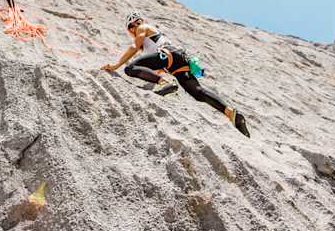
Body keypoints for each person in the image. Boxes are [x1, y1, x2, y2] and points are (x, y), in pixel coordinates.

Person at [101, 12, 250, 138]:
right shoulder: (151, 42)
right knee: (198, 93)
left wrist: (116, 65)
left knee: (130, 68)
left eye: (130, 29)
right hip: (178, 61)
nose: (132, 32)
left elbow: (134, 47)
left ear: (132, 25)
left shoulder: (142, 27)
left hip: (167, 56)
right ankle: (232, 113)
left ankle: (166, 83)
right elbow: (153, 69)